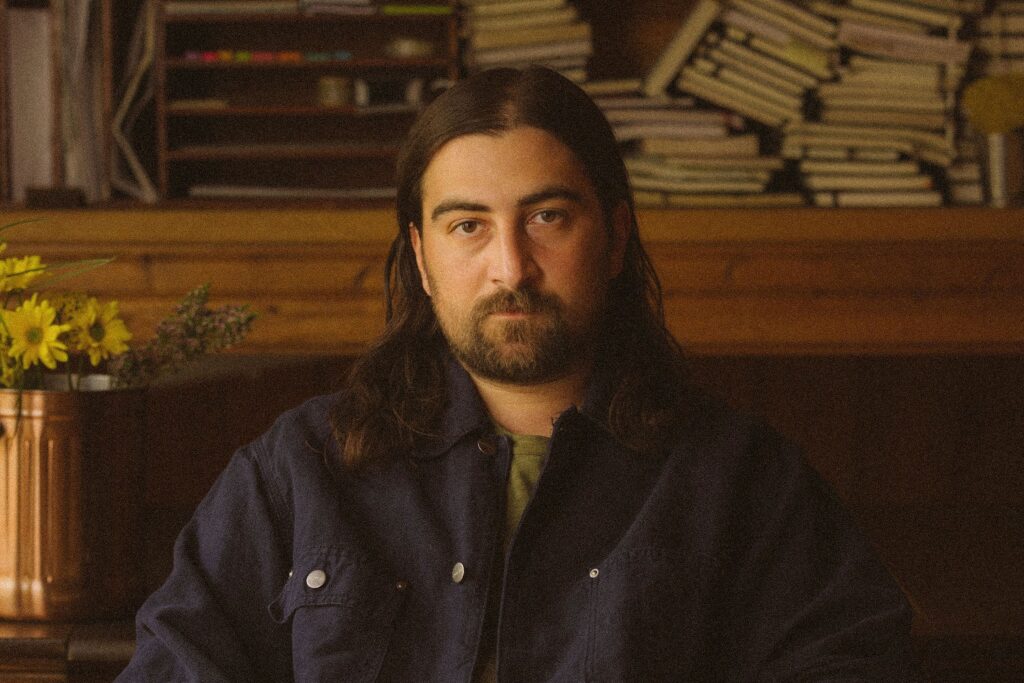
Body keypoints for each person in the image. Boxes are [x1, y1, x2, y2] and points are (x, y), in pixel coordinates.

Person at [117, 67, 915, 682]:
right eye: (469, 225)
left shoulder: (742, 480)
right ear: (422, 257)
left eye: (547, 217)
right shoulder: (299, 470)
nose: (511, 266)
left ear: (615, 236)